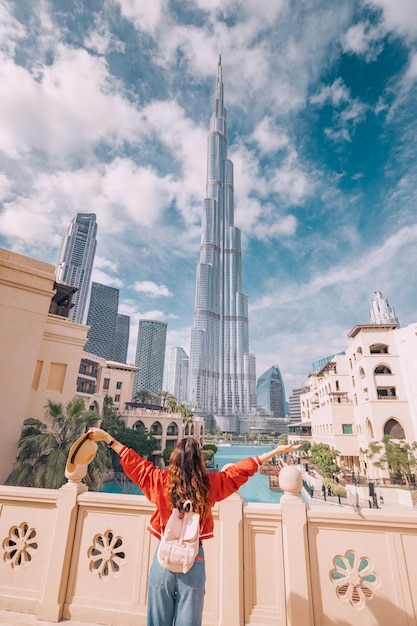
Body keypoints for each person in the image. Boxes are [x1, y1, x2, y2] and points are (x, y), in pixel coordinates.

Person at [87, 427, 301, 626]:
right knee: (188, 620)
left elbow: (135, 464)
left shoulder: (160, 480)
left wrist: (108, 439)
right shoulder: (210, 485)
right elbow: (240, 470)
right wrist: (275, 451)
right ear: (199, 460)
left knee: (157, 619)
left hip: (164, 556)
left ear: (174, 459)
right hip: (194, 557)